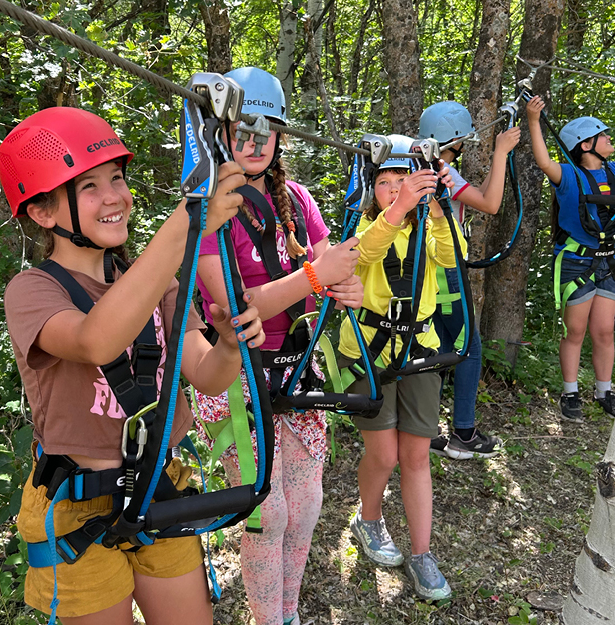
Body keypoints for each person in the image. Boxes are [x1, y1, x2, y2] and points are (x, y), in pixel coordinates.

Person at [0, 106, 266, 625]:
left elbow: (206, 374)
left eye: (117, 179)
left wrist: (230, 345)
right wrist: (186, 223)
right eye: (90, 187)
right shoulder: (34, 290)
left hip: (158, 486)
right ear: (43, 212)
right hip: (75, 508)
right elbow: (95, 341)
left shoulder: (157, 281)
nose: (115, 196)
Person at [193, 67, 363, 625]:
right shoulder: (208, 209)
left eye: (268, 128)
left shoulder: (296, 199)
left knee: (305, 505)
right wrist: (317, 277)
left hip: (295, 369)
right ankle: (271, 619)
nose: (255, 139)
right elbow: (231, 312)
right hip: (238, 376)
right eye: (244, 127)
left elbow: (326, 269)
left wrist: (344, 288)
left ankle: (287, 612)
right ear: (220, 133)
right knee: (268, 511)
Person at [336, 135, 462, 601]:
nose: (393, 189)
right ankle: (369, 519)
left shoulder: (427, 225)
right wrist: (398, 208)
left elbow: (451, 259)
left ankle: (423, 553)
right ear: (372, 190)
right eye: (383, 183)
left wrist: (443, 207)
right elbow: (362, 255)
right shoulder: (363, 223)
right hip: (369, 351)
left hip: (419, 350)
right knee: (384, 455)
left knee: (415, 455)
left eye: (400, 181)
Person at [526, 96, 615, 422]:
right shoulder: (567, 176)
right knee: (575, 330)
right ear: (586, 145)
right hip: (577, 264)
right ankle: (570, 392)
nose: (609, 139)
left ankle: (604, 391)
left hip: (607, 264)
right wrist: (534, 121)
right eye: (603, 136)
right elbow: (542, 161)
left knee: (605, 331)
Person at [418, 101, 520, 458]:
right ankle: (463, 433)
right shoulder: (442, 170)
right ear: (452, 137)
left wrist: (497, 155)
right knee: (468, 348)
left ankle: (426, 429)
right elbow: (491, 204)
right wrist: (502, 153)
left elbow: (481, 198)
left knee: (440, 348)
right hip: (446, 271)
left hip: (429, 270)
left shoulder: (425, 167)